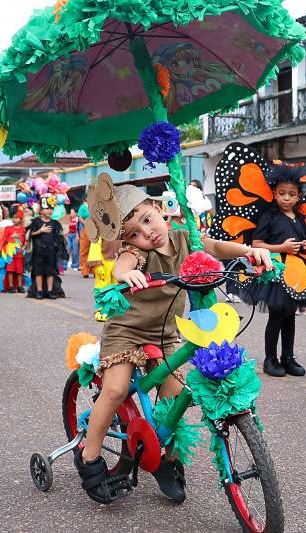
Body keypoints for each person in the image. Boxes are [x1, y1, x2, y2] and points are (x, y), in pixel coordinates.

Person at [75, 183, 272, 505]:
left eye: (149, 219)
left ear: (159, 208)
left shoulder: (185, 239)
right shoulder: (135, 254)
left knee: (175, 397)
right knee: (114, 390)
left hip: (166, 334)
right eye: (135, 232)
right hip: (127, 332)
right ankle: (89, 457)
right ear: (127, 240)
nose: (147, 233)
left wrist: (250, 251)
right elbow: (122, 265)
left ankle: (167, 460)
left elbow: (216, 247)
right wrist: (126, 276)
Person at [242, 164, 306, 378]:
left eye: (291, 194)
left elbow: (303, 246)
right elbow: (257, 243)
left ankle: (288, 357)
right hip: (275, 271)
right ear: (274, 193)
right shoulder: (269, 216)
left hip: (296, 274)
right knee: (276, 316)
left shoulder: (300, 218)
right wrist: (281, 248)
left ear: (299, 196)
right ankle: (270, 359)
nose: (286, 198)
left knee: (290, 316)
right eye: (282, 193)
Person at [28, 195, 65, 299]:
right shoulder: (36, 222)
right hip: (38, 252)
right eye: (47, 208)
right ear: (41, 210)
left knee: (50, 272)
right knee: (38, 272)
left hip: (51, 252)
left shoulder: (54, 223)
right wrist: (40, 231)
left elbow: (58, 237)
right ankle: (39, 291)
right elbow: (30, 235)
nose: (49, 211)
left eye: (51, 209)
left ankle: (50, 291)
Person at [88, 237, 120, 321]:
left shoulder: (123, 227)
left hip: (119, 261)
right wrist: (97, 264)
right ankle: (102, 310)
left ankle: (115, 309)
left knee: (119, 287)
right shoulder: (101, 228)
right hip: (104, 262)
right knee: (102, 288)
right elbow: (95, 244)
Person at [0, 204, 26, 293]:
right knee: (10, 270)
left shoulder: (23, 229)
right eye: (13, 217)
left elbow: (25, 241)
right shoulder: (8, 228)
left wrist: (24, 248)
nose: (14, 219)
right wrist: (11, 237)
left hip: (19, 254)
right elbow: (4, 240)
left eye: (17, 217)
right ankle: (10, 286)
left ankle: (20, 286)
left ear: (21, 218)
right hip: (10, 255)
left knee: (19, 271)